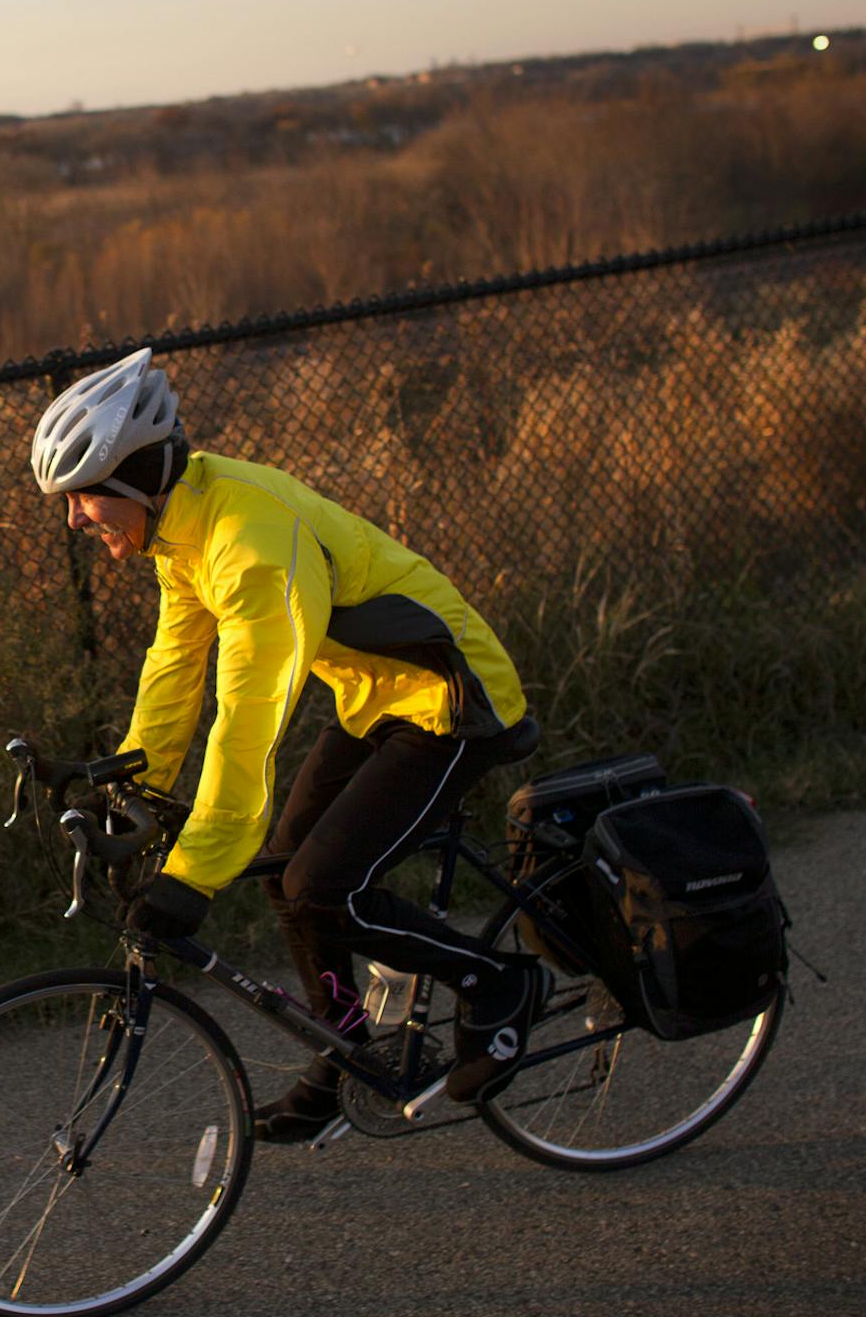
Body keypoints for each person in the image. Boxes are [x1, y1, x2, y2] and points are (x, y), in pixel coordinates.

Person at [31, 347, 546, 1142]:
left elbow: (249, 716)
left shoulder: (251, 541)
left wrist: (194, 871)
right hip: (378, 697)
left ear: (133, 482)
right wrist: (131, 783)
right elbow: (174, 665)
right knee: (283, 870)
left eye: (82, 498)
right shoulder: (183, 523)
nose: (73, 519)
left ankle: (498, 985)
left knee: (319, 886)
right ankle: (346, 1048)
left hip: (452, 703)